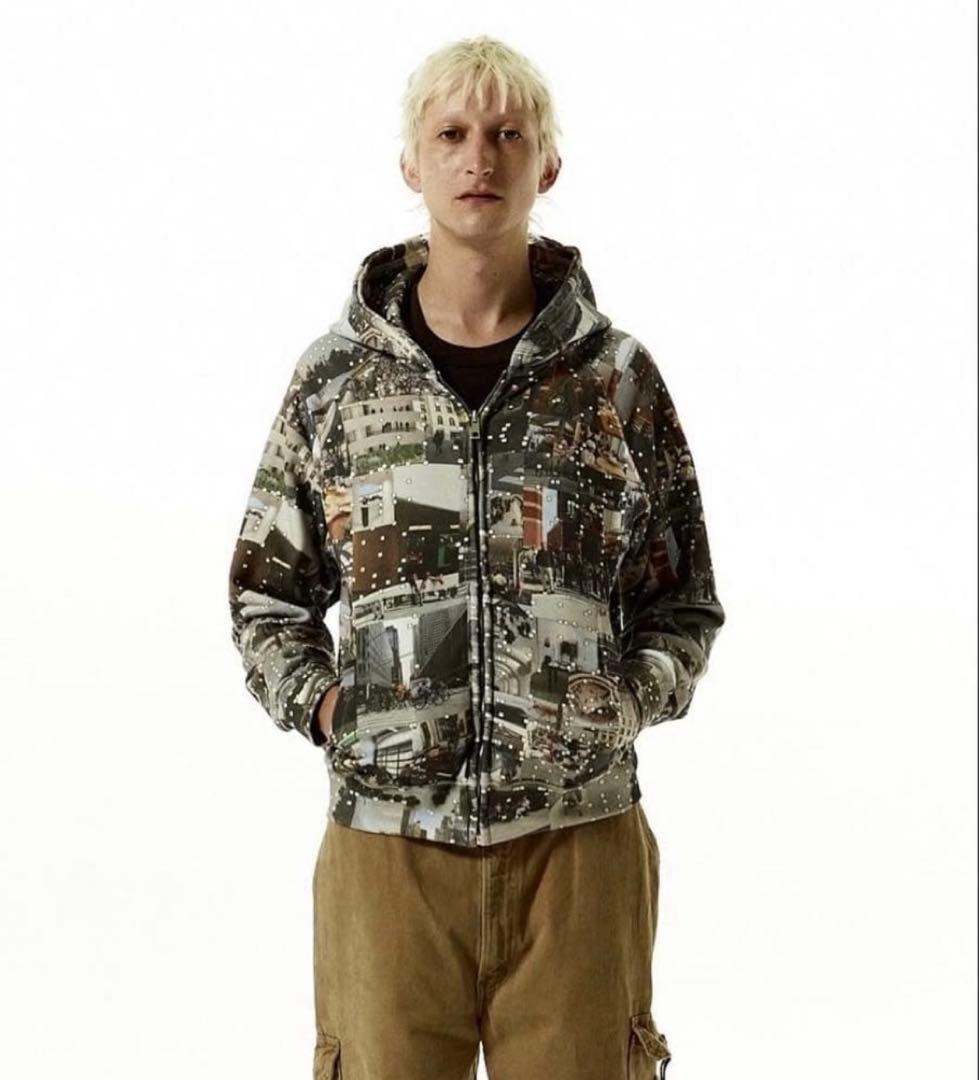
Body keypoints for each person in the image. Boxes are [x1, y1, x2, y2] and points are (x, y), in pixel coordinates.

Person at [228, 33, 725, 1080]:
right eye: (451, 134)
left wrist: (622, 705)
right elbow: (267, 597)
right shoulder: (337, 381)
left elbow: (681, 600)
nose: (478, 159)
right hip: (387, 850)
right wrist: (331, 710)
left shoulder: (614, 379)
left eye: (507, 135)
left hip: (579, 849)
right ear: (410, 162)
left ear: (548, 164)